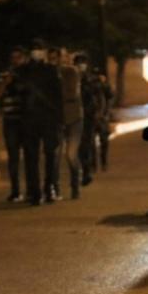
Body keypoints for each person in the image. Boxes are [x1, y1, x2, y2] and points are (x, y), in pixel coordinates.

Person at [18, 38, 64, 204]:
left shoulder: (51, 70)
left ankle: (49, 187)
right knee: (31, 157)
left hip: (48, 118)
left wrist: (60, 119)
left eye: (39, 48)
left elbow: (58, 95)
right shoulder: (22, 71)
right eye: (33, 48)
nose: (36, 51)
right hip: (29, 118)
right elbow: (18, 93)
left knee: (50, 154)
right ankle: (35, 191)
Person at [0, 46, 27, 201]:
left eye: (18, 57)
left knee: (30, 157)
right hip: (11, 120)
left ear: (24, 58)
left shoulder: (28, 75)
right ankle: (15, 190)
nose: (16, 61)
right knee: (13, 157)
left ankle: (32, 190)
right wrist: (6, 83)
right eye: (13, 58)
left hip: (27, 120)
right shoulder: (4, 75)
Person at [57, 49, 84, 199]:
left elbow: (72, 93)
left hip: (74, 119)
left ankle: (75, 184)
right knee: (56, 155)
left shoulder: (71, 72)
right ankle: (55, 187)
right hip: (59, 119)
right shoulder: (54, 72)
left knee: (71, 154)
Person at [79, 57, 100, 185]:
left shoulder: (91, 80)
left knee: (87, 144)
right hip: (77, 117)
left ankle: (87, 170)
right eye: (78, 63)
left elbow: (99, 97)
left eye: (82, 63)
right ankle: (85, 169)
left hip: (89, 117)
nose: (81, 66)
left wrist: (98, 114)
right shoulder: (74, 79)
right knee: (81, 146)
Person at [95, 67, 114, 170]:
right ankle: (93, 164)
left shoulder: (105, 87)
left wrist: (107, 114)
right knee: (91, 143)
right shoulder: (92, 86)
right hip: (94, 117)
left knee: (104, 141)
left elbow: (110, 98)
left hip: (103, 117)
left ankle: (103, 162)